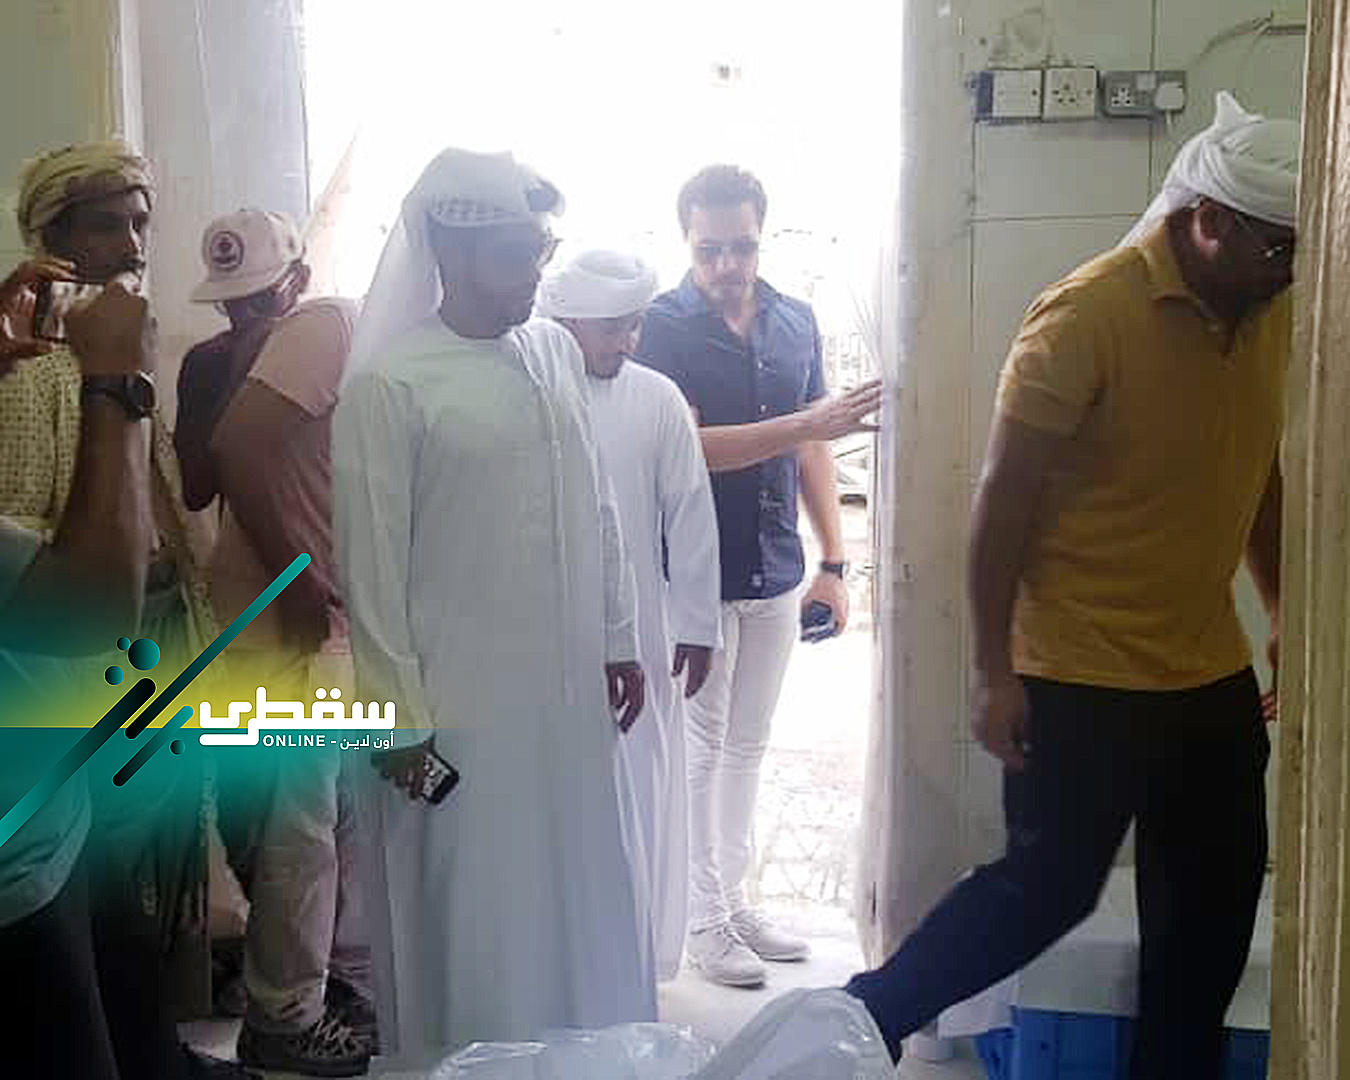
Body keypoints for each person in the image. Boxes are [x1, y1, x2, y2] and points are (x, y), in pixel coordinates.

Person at [844, 91, 1295, 1080]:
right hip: (1079, 673)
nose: (1289, 269)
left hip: (1206, 673)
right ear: (1208, 221)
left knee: (1211, 917)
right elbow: (1002, 503)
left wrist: (1281, 612)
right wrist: (992, 671)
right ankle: (859, 1019)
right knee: (1044, 889)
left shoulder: (1266, 310)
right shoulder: (1088, 314)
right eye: (1274, 247)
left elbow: (1257, 467)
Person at [333, 147, 654, 1066]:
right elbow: (371, 569)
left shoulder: (551, 350)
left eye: (541, 251)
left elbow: (597, 505)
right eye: (517, 255)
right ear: (452, 251)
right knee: (477, 899)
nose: (535, 274)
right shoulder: (392, 384)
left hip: (565, 697)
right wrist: (399, 719)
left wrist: (618, 635)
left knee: (576, 881)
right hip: (458, 706)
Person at [8, 142, 237, 1078]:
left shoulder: (119, 346)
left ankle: (149, 1051)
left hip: (144, 649)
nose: (133, 243)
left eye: (141, 221)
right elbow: (43, 562)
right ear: (51, 236)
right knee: (91, 887)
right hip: (70, 675)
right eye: (108, 224)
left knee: (127, 887)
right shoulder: (41, 370)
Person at [634, 164, 881, 987]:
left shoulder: (793, 320)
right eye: (710, 250)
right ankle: (700, 920)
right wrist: (809, 422)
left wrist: (834, 563)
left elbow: (814, 450)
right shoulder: (660, 329)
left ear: (761, 237)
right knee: (699, 751)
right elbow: (687, 450)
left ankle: (732, 902)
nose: (727, 265)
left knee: (748, 745)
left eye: (741, 246)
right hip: (692, 575)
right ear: (686, 242)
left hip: (775, 567)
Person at [175, 208, 373, 1077]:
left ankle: (312, 990)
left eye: (260, 299)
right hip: (272, 616)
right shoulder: (219, 361)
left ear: (296, 280)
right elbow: (202, 479)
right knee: (296, 828)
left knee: (315, 822)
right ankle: (283, 1015)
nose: (246, 316)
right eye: (232, 304)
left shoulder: (321, 336)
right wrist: (230, 378)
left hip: (301, 614)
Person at [537, 248, 722, 983]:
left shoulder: (656, 398)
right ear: (568, 323)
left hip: (639, 630)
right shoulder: (529, 392)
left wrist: (698, 625)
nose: (628, 341)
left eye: (635, 325)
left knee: (638, 784)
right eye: (613, 327)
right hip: (541, 633)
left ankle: (634, 956)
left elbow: (691, 512)